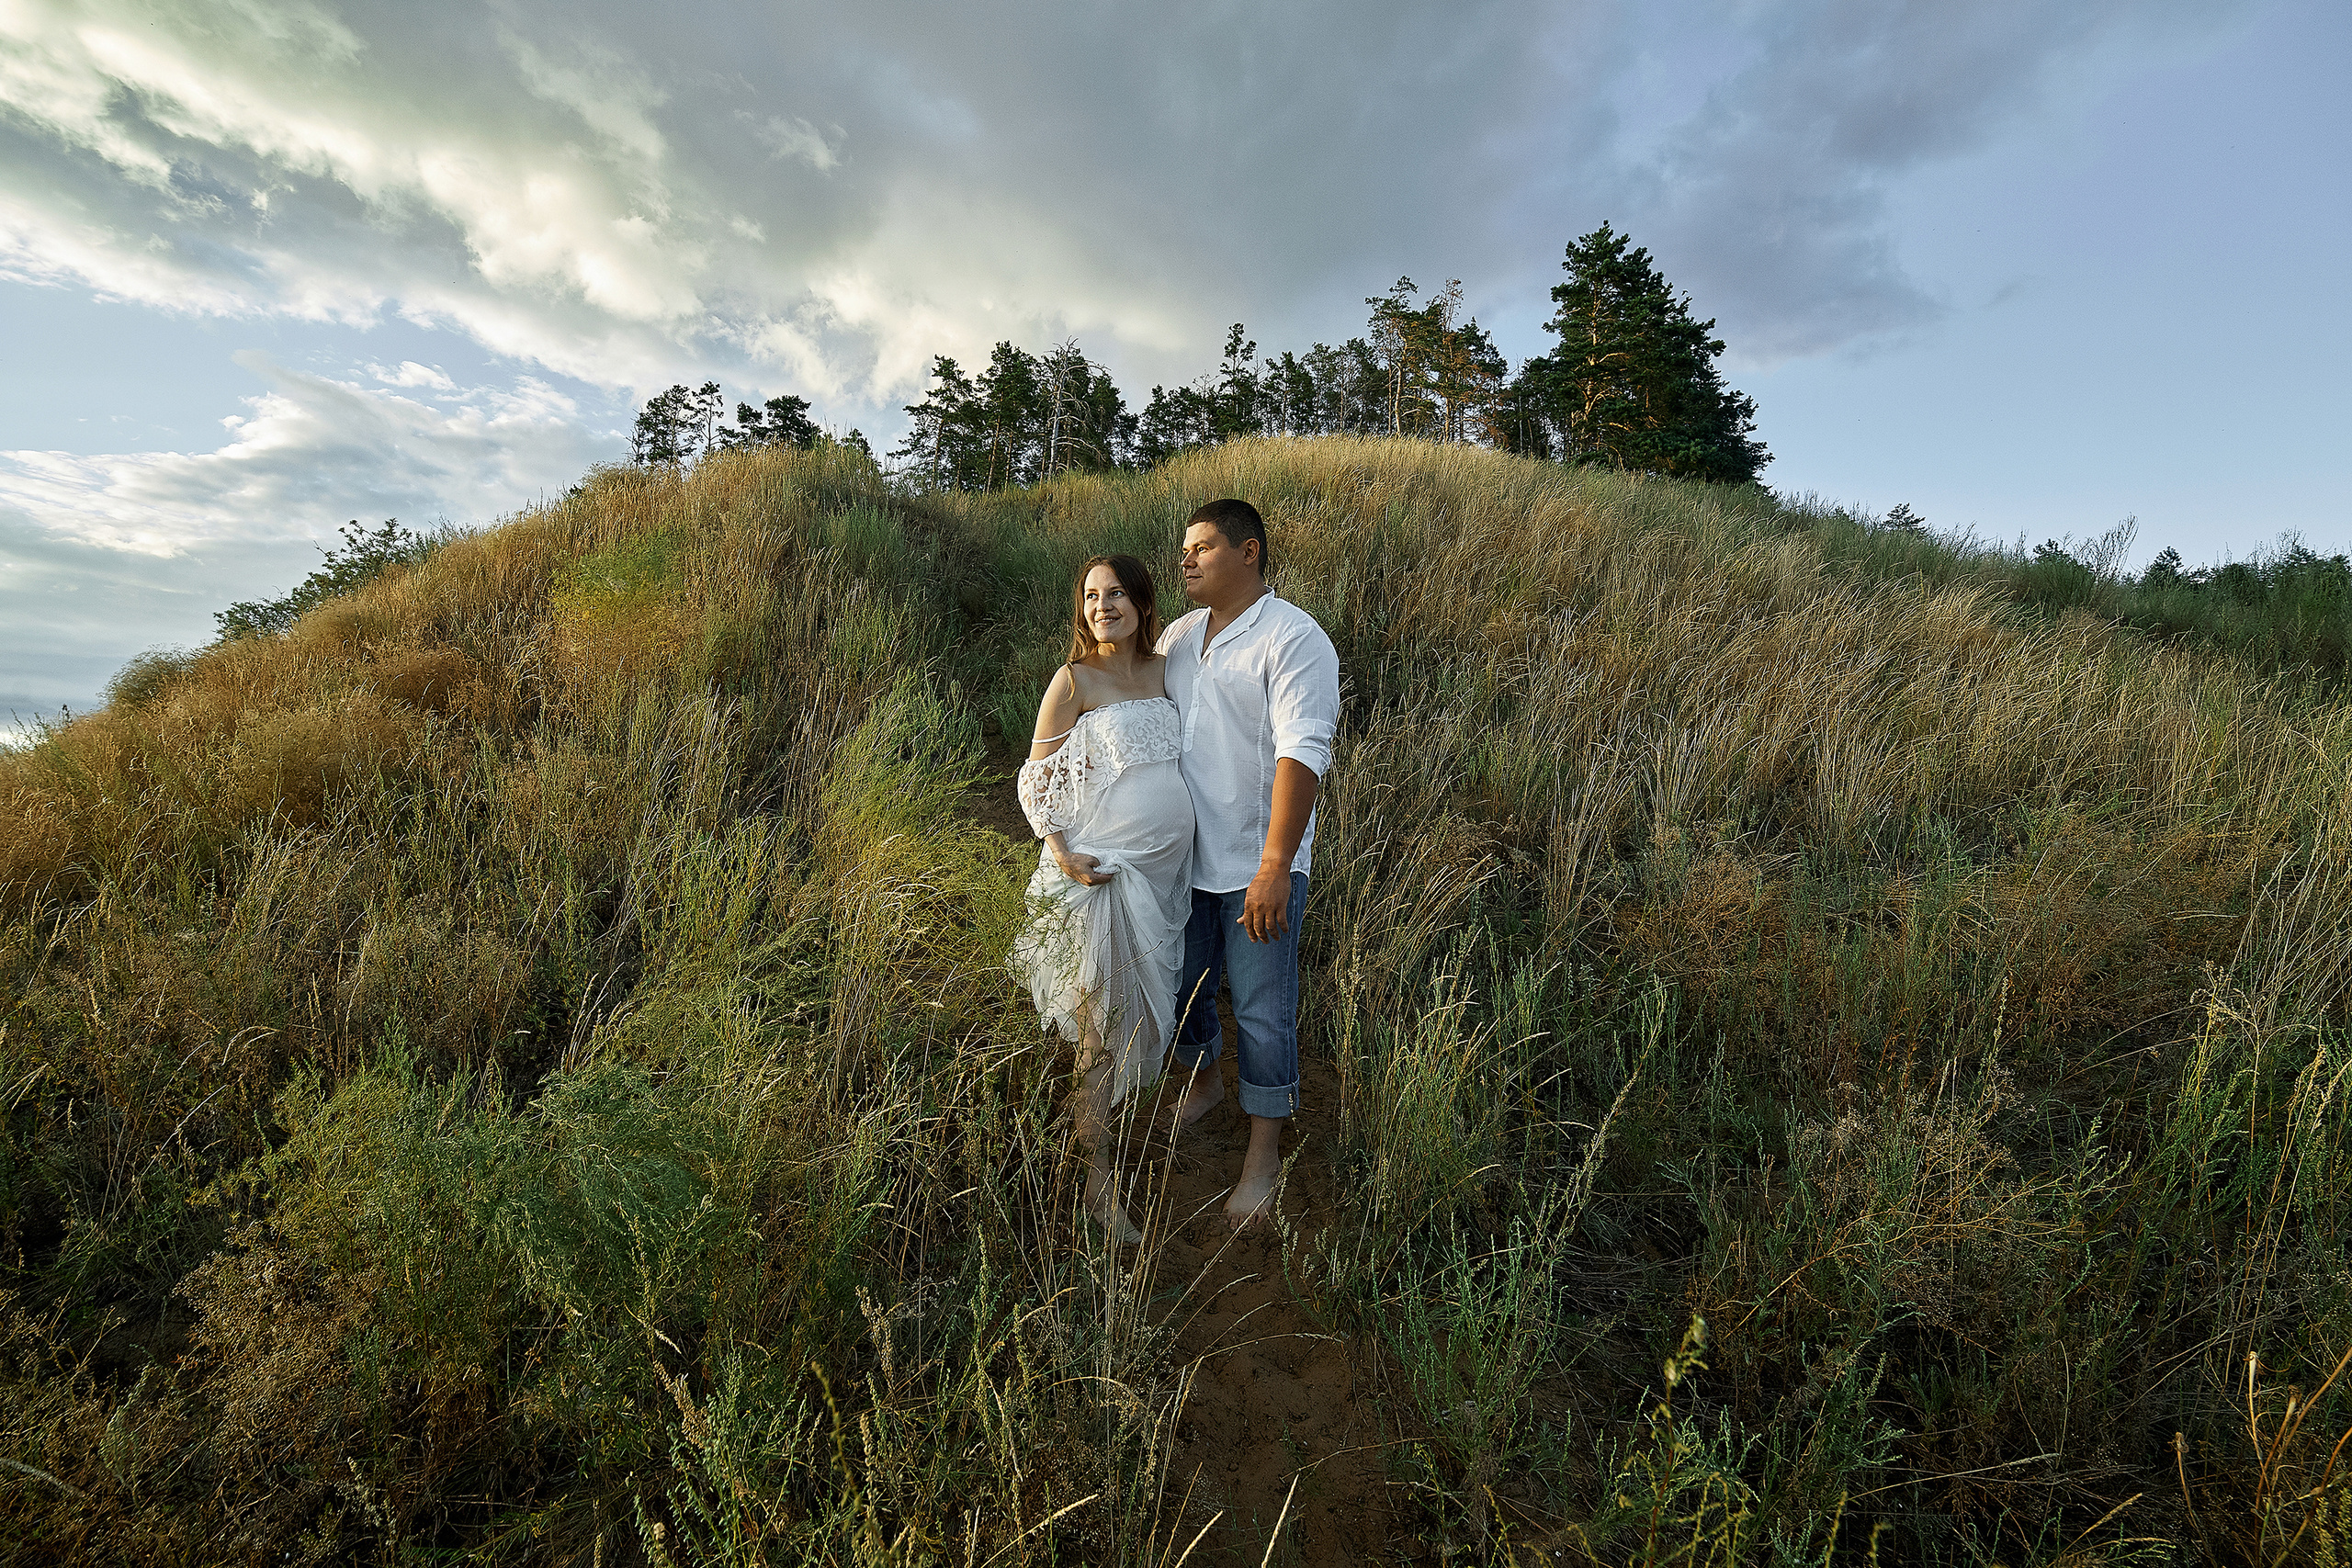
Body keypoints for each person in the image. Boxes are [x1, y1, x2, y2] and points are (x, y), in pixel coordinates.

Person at [1158, 499, 1340, 1228]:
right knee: (1180, 988)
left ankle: (1263, 1156)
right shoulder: (1177, 636)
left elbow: (1304, 752)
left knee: (1263, 1013)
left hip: (1256, 864)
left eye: (1202, 546)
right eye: (1184, 549)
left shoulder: (1294, 638)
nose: (1187, 560)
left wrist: (1276, 864)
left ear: (1249, 552)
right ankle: (1202, 1082)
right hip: (1183, 863)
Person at [1011, 554, 1194, 1245]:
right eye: (1091, 594)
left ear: (1144, 603)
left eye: (1115, 592)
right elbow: (1036, 780)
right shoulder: (1074, 680)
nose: (1102, 605)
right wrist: (1062, 854)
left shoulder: (1164, 671)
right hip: (1104, 878)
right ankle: (1098, 1189)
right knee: (1099, 1036)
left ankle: (1103, 1163)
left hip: (1162, 882)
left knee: (1133, 1029)